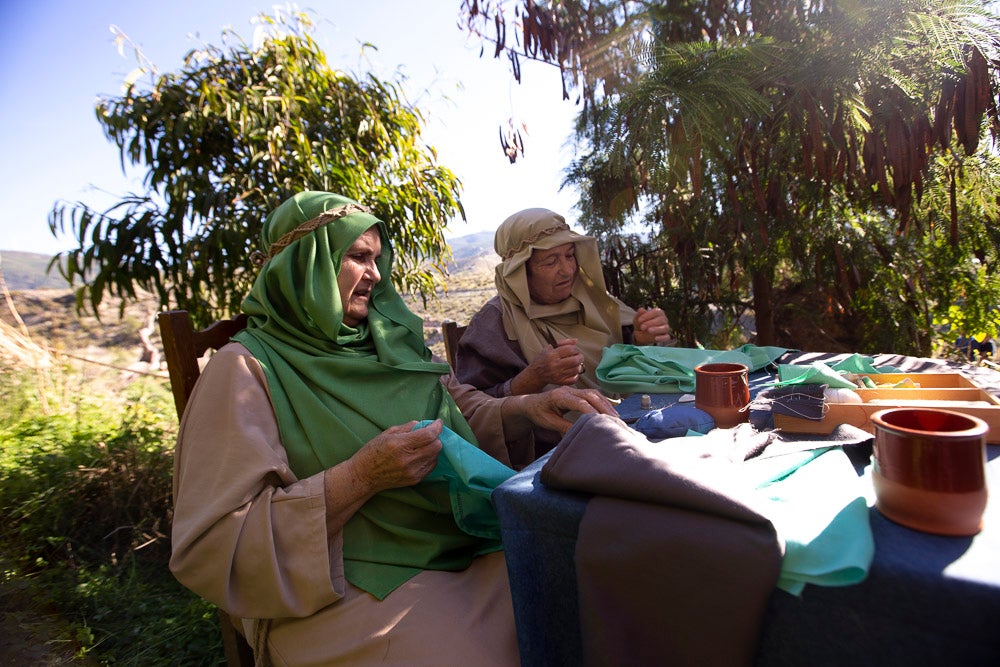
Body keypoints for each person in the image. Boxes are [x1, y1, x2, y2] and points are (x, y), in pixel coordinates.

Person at [168, 192, 616, 666]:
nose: (376, 275)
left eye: (377, 259)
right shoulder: (245, 371)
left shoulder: (389, 342)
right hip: (342, 585)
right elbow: (217, 542)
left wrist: (526, 406)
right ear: (305, 263)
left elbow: (453, 410)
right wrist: (360, 477)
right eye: (359, 257)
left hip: (459, 541)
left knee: (591, 594)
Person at [455, 207, 672, 400]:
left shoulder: (594, 301)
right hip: (556, 441)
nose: (568, 271)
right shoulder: (494, 324)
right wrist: (532, 379)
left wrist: (642, 341)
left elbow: (627, 365)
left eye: (569, 256)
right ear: (520, 273)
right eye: (551, 262)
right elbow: (471, 409)